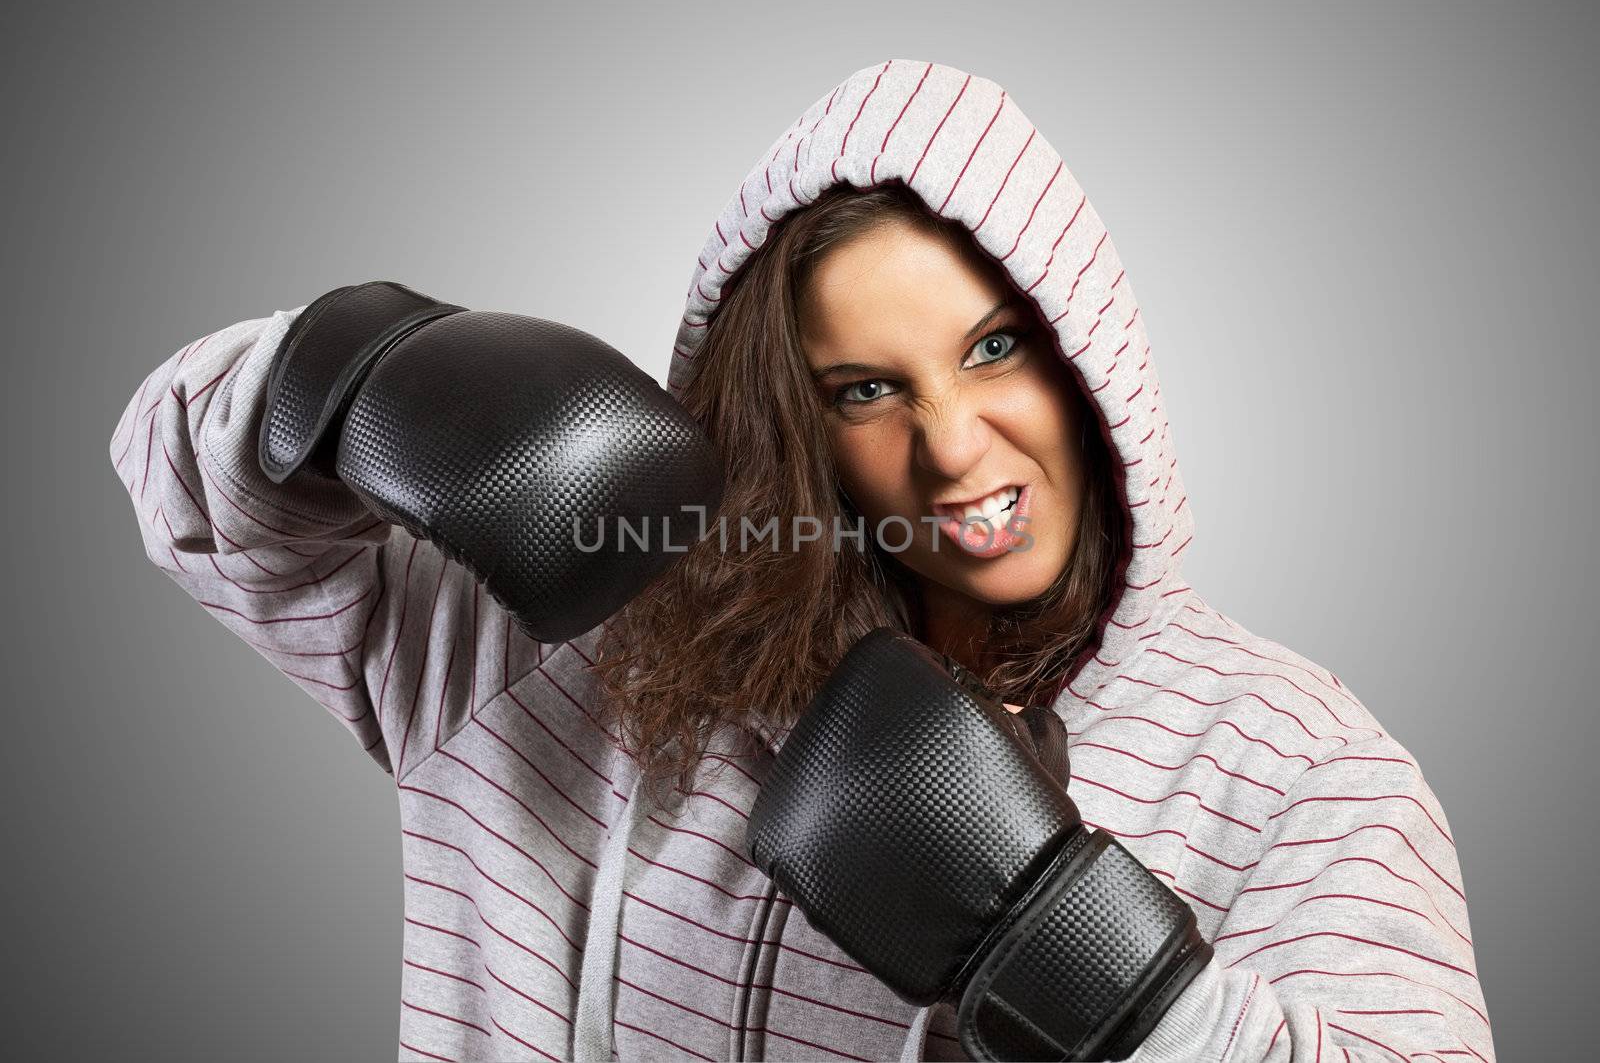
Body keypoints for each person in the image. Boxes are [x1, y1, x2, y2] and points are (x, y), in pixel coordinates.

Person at [108, 59, 1493, 1061]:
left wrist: (1100, 976)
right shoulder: (570, 656)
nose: (954, 447)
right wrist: (370, 372)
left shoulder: (1292, 768)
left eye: (995, 348)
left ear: (1091, 359)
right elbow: (191, 497)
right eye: (863, 390)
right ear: (787, 427)